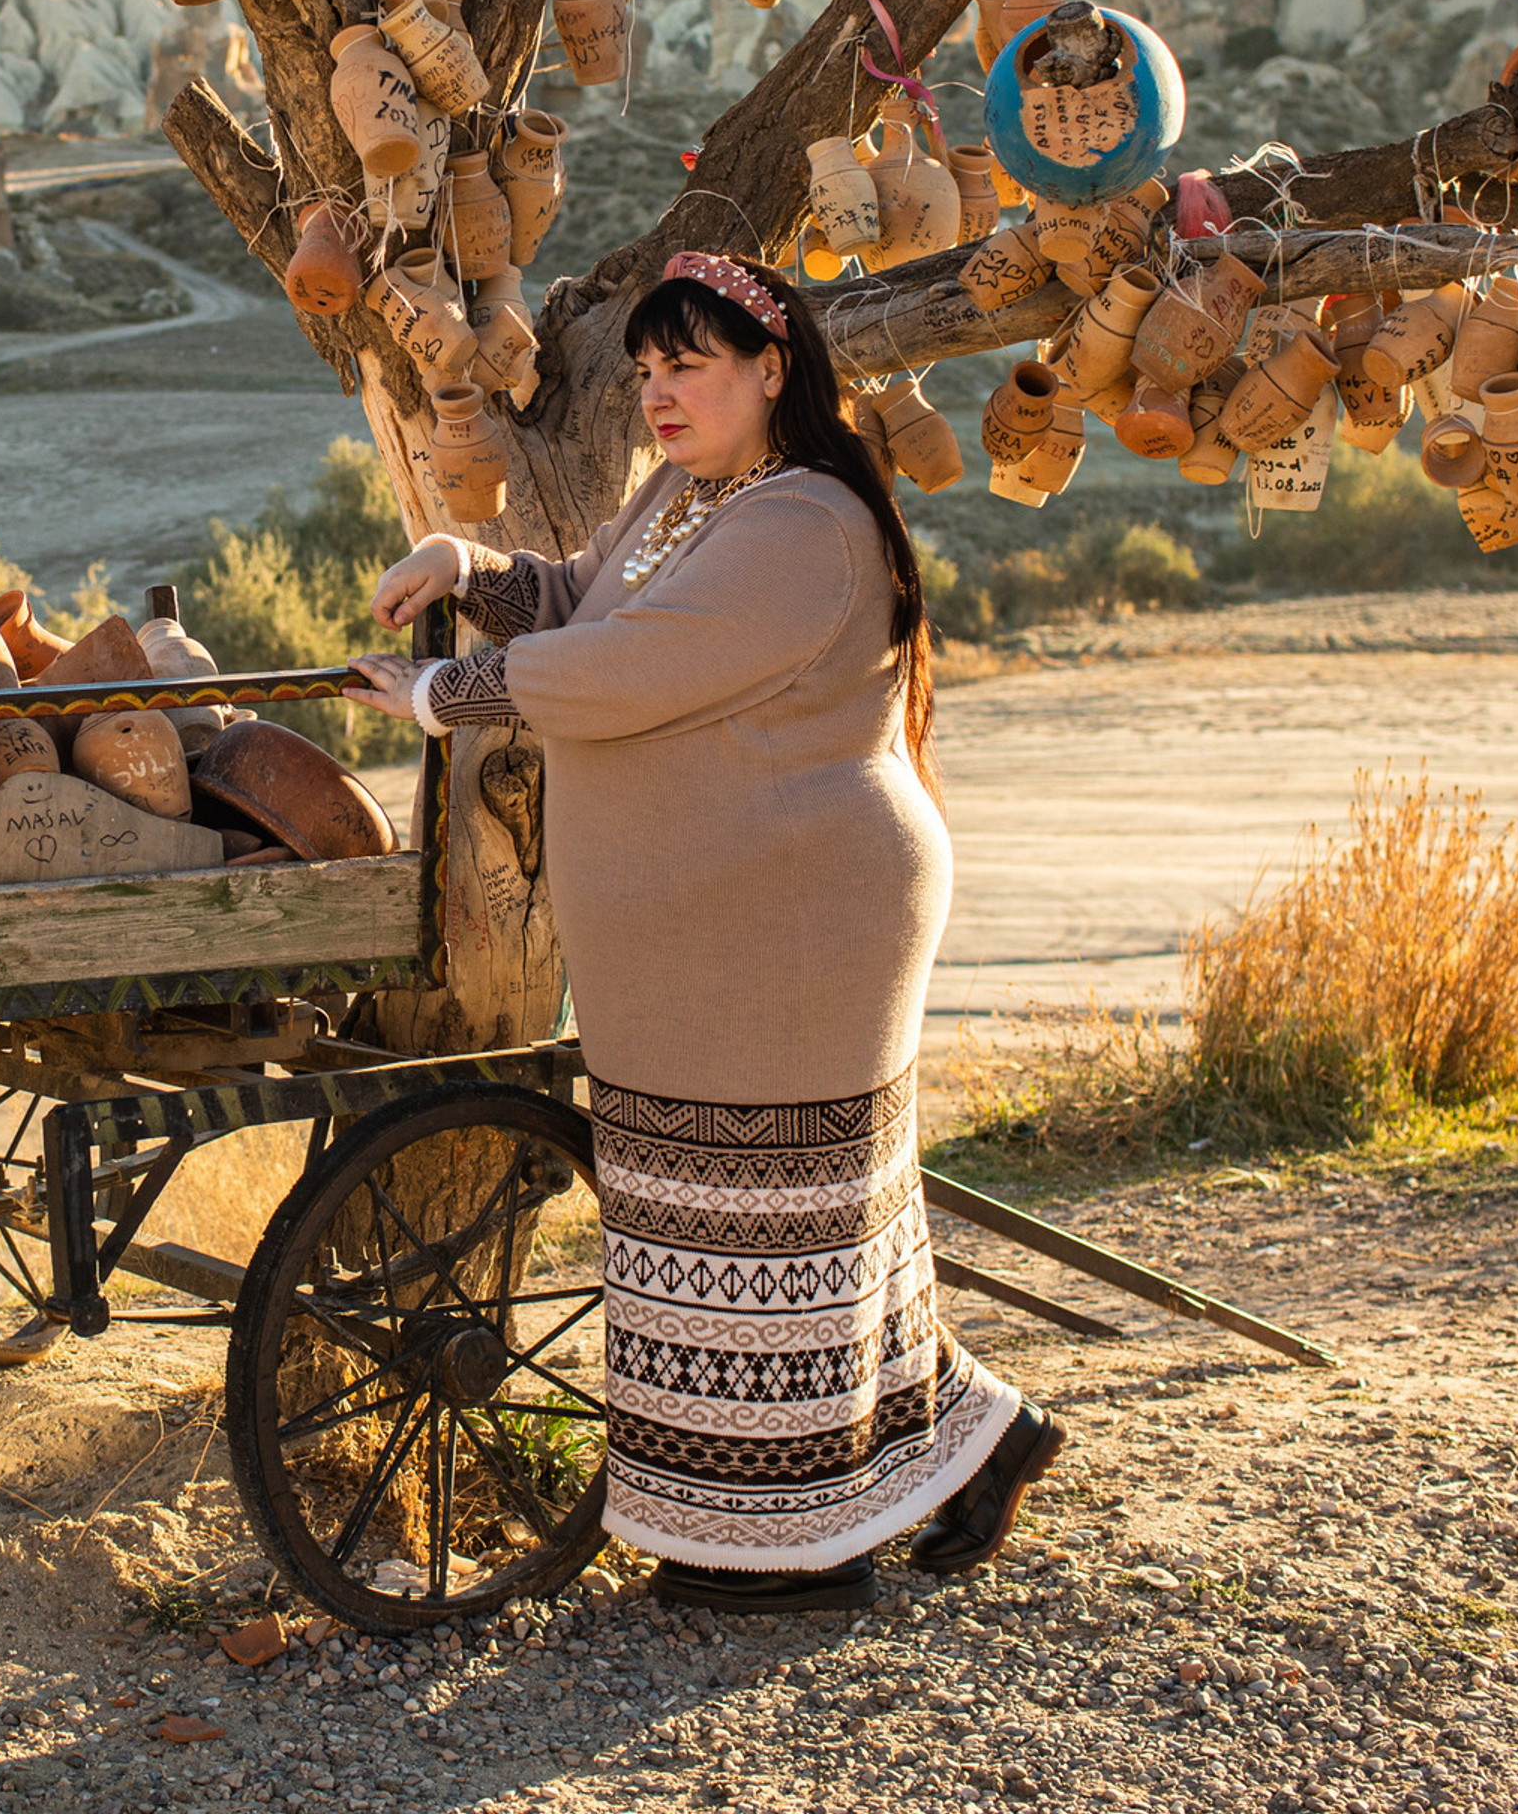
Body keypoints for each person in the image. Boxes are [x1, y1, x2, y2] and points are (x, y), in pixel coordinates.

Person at [344, 250, 1061, 1616]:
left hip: (793, 915)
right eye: (651, 370)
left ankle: (788, 1547)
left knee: (770, 1223)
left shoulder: (805, 524)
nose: (662, 395)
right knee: (780, 1218)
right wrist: (474, 567)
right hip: (715, 918)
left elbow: (636, 665)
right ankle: (974, 1442)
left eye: (694, 367)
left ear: (772, 371)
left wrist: (450, 689)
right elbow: (587, 605)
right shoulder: (688, 497)